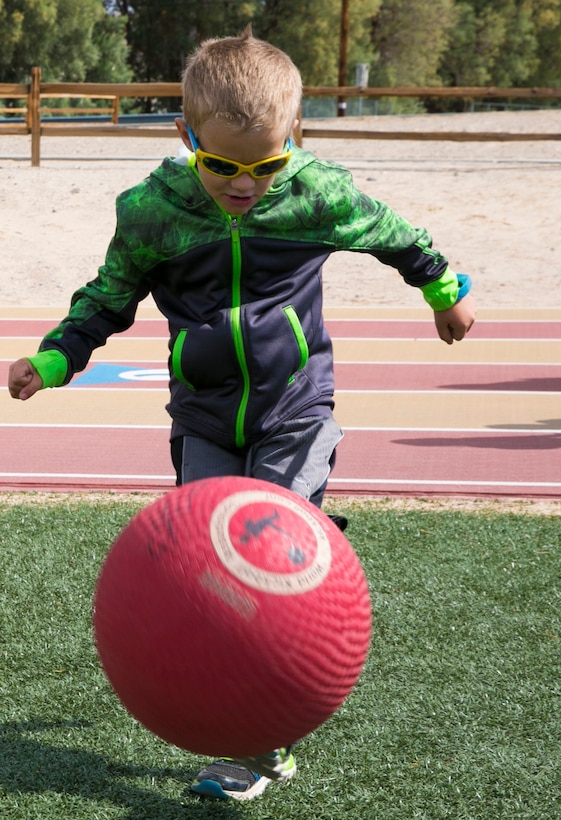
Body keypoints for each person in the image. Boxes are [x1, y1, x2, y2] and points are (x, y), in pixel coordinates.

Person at [7, 27, 476, 801]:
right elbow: (108, 297)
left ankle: (258, 747)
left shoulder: (318, 193)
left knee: (271, 573)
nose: (244, 185)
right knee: (205, 577)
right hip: (202, 419)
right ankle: (224, 716)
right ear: (185, 134)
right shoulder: (152, 212)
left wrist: (446, 296)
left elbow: (401, 239)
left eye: (265, 165)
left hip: (296, 407)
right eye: (221, 164)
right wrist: (57, 359)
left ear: (294, 138)